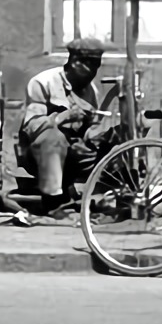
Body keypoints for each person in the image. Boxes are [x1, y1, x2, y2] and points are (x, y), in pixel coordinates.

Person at [16, 38, 109, 217]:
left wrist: (97, 134)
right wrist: (63, 117)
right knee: (53, 137)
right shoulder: (44, 82)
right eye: (90, 66)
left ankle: (107, 196)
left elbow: (90, 129)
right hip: (40, 155)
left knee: (110, 144)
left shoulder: (91, 91)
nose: (93, 72)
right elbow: (32, 125)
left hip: (73, 154)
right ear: (75, 62)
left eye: (97, 66)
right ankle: (53, 202)